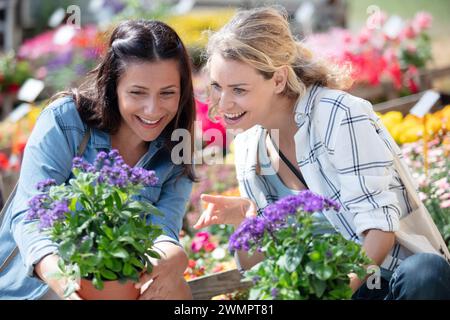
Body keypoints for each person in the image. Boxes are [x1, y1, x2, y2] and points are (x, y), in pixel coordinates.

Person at [193, 7, 450, 299]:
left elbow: (380, 232)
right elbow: (261, 269)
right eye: (217, 87)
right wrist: (244, 223)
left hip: (384, 283)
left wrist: (337, 294)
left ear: (278, 80)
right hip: (319, 291)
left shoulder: (339, 115)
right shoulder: (248, 146)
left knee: (425, 271)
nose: (224, 104)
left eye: (238, 90)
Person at [0, 20, 196, 300]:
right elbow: (30, 213)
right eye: (137, 93)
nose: (153, 109)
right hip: (35, 288)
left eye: (167, 93)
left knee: (176, 287)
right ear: (114, 87)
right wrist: (66, 285)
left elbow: (162, 227)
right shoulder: (66, 120)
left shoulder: (177, 146)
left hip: (114, 283)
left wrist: (171, 254)